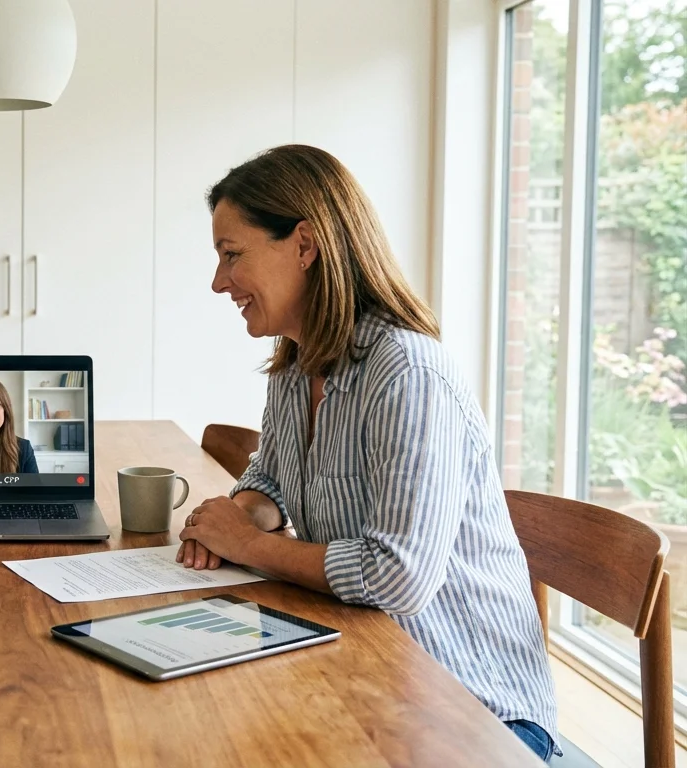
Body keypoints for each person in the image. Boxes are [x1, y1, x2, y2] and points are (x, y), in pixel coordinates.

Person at [176, 145, 559, 761]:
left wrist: (248, 546)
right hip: (371, 668)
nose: (219, 282)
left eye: (231, 255)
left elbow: (398, 574)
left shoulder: (406, 373)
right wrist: (238, 514)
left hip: (477, 711)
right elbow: (273, 476)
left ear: (305, 244)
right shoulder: (296, 367)